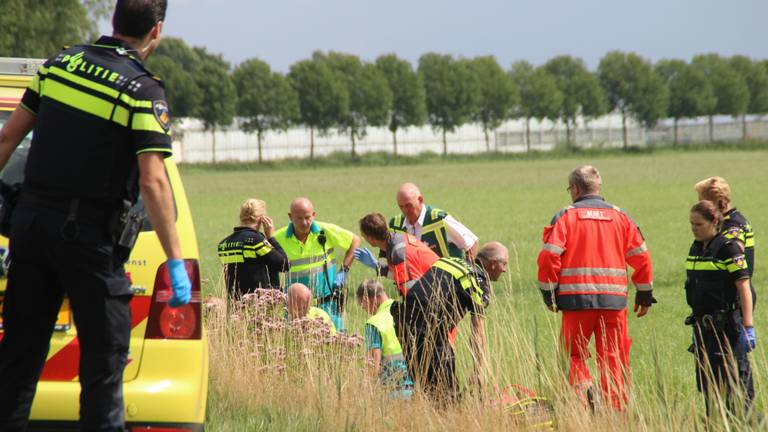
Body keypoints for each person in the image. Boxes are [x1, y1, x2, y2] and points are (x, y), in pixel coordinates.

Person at [0, 1, 191, 430]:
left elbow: (8, 138)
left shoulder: (59, 66)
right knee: (103, 375)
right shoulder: (142, 90)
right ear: (155, 31)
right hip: (89, 244)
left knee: (16, 366)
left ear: (113, 21)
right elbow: (153, 182)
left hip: (29, 231)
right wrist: (175, 258)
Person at [537, 165, 655, 412]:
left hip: (575, 301)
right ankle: (614, 414)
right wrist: (644, 293)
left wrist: (549, 293)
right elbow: (641, 257)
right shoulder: (621, 216)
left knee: (573, 356)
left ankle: (584, 395)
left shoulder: (565, 217)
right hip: (614, 303)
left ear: (576, 189)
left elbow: (549, 257)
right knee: (614, 358)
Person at [392, 242, 508, 402]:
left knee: (425, 391)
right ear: (493, 264)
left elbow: (431, 291)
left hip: (404, 321)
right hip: (429, 331)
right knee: (447, 398)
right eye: (504, 264)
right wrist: (478, 371)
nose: (504, 269)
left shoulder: (450, 261)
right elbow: (478, 332)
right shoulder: (477, 279)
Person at [686, 200, 756, 417]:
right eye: (691, 224)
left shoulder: (728, 248)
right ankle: (714, 422)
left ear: (714, 222)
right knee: (707, 382)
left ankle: (743, 422)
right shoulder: (696, 248)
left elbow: (743, 285)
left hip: (726, 327)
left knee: (734, 383)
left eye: (698, 224)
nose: (694, 228)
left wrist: (748, 326)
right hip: (703, 329)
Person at [273, 197, 360, 332]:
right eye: (299, 218)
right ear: (290, 217)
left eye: (308, 217)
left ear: (314, 215)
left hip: (327, 304)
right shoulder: (278, 237)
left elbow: (355, 241)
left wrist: (344, 270)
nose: (304, 222)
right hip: (296, 310)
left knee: (336, 343)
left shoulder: (325, 231)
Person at [695, 177, 756, 305]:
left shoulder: (732, 226)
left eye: (702, 202)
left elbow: (734, 254)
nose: (700, 206)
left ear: (714, 202)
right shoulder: (728, 220)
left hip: (734, 298)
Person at [355, 212, 439, 296]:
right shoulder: (398, 239)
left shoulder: (398, 252)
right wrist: (376, 266)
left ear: (371, 238)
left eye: (364, 236)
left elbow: (411, 290)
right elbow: (401, 277)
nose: (363, 238)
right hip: (436, 285)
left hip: (438, 290)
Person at [389, 182, 478, 261]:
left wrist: (468, 272)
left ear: (420, 200)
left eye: (408, 205)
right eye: (401, 206)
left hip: (446, 278)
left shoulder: (440, 219)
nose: (405, 210)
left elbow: (471, 243)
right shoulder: (396, 225)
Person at [217, 198, 288, 297]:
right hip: (260, 303)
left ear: (241, 217)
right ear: (262, 219)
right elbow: (284, 264)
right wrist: (271, 237)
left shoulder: (223, 244)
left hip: (236, 303)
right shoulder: (256, 241)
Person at [357, 280, 414, 399]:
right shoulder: (406, 310)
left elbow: (373, 366)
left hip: (392, 392)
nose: (365, 310)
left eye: (364, 305)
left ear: (372, 299)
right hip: (417, 388)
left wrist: (366, 395)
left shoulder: (374, 323)